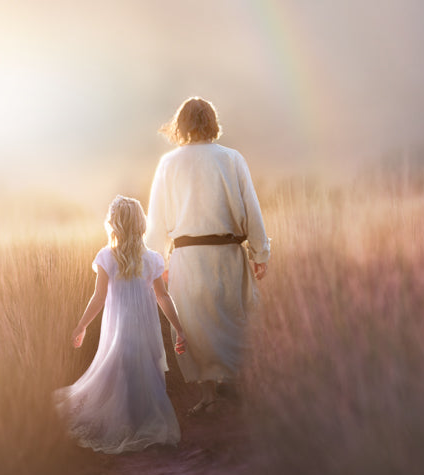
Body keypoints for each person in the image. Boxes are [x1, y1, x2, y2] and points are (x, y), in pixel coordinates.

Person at [144, 97, 270, 414]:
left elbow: (157, 221)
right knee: (232, 320)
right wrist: (260, 252)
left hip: (187, 258)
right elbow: (252, 210)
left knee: (193, 326)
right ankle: (235, 386)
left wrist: (155, 264)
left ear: (180, 125)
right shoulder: (232, 159)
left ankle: (209, 396)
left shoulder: (168, 164)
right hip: (228, 254)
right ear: (212, 122)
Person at [55, 195, 186, 454]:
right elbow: (163, 296)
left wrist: (81, 325)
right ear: (141, 224)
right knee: (142, 371)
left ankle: (125, 422)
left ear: (113, 224)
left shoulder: (107, 257)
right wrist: (178, 329)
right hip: (145, 329)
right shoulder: (152, 259)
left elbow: (99, 298)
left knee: (121, 372)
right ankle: (139, 420)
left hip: (119, 329)